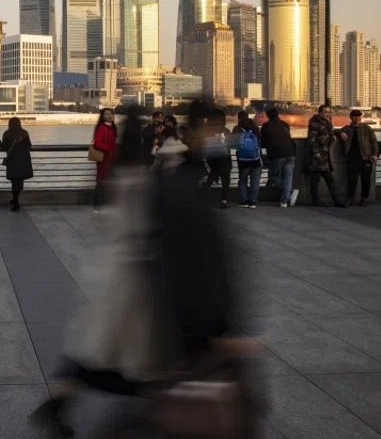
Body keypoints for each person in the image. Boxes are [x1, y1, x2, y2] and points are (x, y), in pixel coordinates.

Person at [31, 104, 254, 437]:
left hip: (109, 272)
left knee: (98, 350)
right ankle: (123, 418)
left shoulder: (116, 174)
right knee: (133, 356)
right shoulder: (150, 178)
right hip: (134, 278)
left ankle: (64, 406)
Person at [306, 105, 347, 207]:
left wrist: (340, 133)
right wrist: (316, 152)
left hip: (325, 157)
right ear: (320, 112)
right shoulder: (315, 123)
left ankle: (336, 201)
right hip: (317, 157)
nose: (328, 114)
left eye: (329, 112)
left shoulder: (327, 123)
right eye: (325, 112)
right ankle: (317, 201)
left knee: (329, 180)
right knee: (316, 181)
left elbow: (331, 131)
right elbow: (311, 139)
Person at [339, 109, 380, 206]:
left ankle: (364, 198)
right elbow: (335, 130)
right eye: (354, 116)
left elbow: (374, 142)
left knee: (366, 180)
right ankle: (350, 198)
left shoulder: (367, 128)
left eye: (358, 116)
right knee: (351, 180)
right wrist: (340, 133)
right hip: (352, 159)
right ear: (351, 117)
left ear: (361, 117)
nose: (357, 118)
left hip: (366, 158)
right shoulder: (347, 129)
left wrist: (374, 154)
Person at [260, 108, 298, 207]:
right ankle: (284, 202)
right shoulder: (285, 124)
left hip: (277, 154)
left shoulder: (266, 126)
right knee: (287, 178)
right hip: (291, 153)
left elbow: (263, 142)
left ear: (267, 116)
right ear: (278, 114)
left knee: (273, 177)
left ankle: (291, 191)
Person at [1, 117, 33, 211]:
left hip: (12, 161)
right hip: (23, 160)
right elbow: (29, 146)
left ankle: (15, 202)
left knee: (14, 182)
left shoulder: (6, 134)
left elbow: (4, 147)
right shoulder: (24, 133)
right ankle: (15, 200)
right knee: (20, 181)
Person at [204, 109, 233, 209]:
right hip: (225, 159)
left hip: (212, 158)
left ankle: (203, 192)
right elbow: (230, 145)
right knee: (226, 182)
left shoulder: (206, 131)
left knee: (212, 174)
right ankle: (224, 201)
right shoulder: (226, 130)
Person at [91, 108, 118, 210]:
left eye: (111, 114)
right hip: (104, 159)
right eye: (106, 114)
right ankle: (98, 207)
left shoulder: (112, 128)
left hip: (110, 160)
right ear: (102, 116)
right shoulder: (102, 128)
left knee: (107, 182)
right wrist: (108, 150)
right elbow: (97, 142)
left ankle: (104, 206)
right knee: (101, 183)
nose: (109, 116)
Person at [233, 112, 262, 208]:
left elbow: (232, 143)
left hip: (243, 160)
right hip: (256, 159)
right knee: (255, 182)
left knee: (242, 180)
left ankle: (243, 201)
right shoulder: (256, 129)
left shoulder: (237, 129)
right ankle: (253, 202)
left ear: (239, 118)